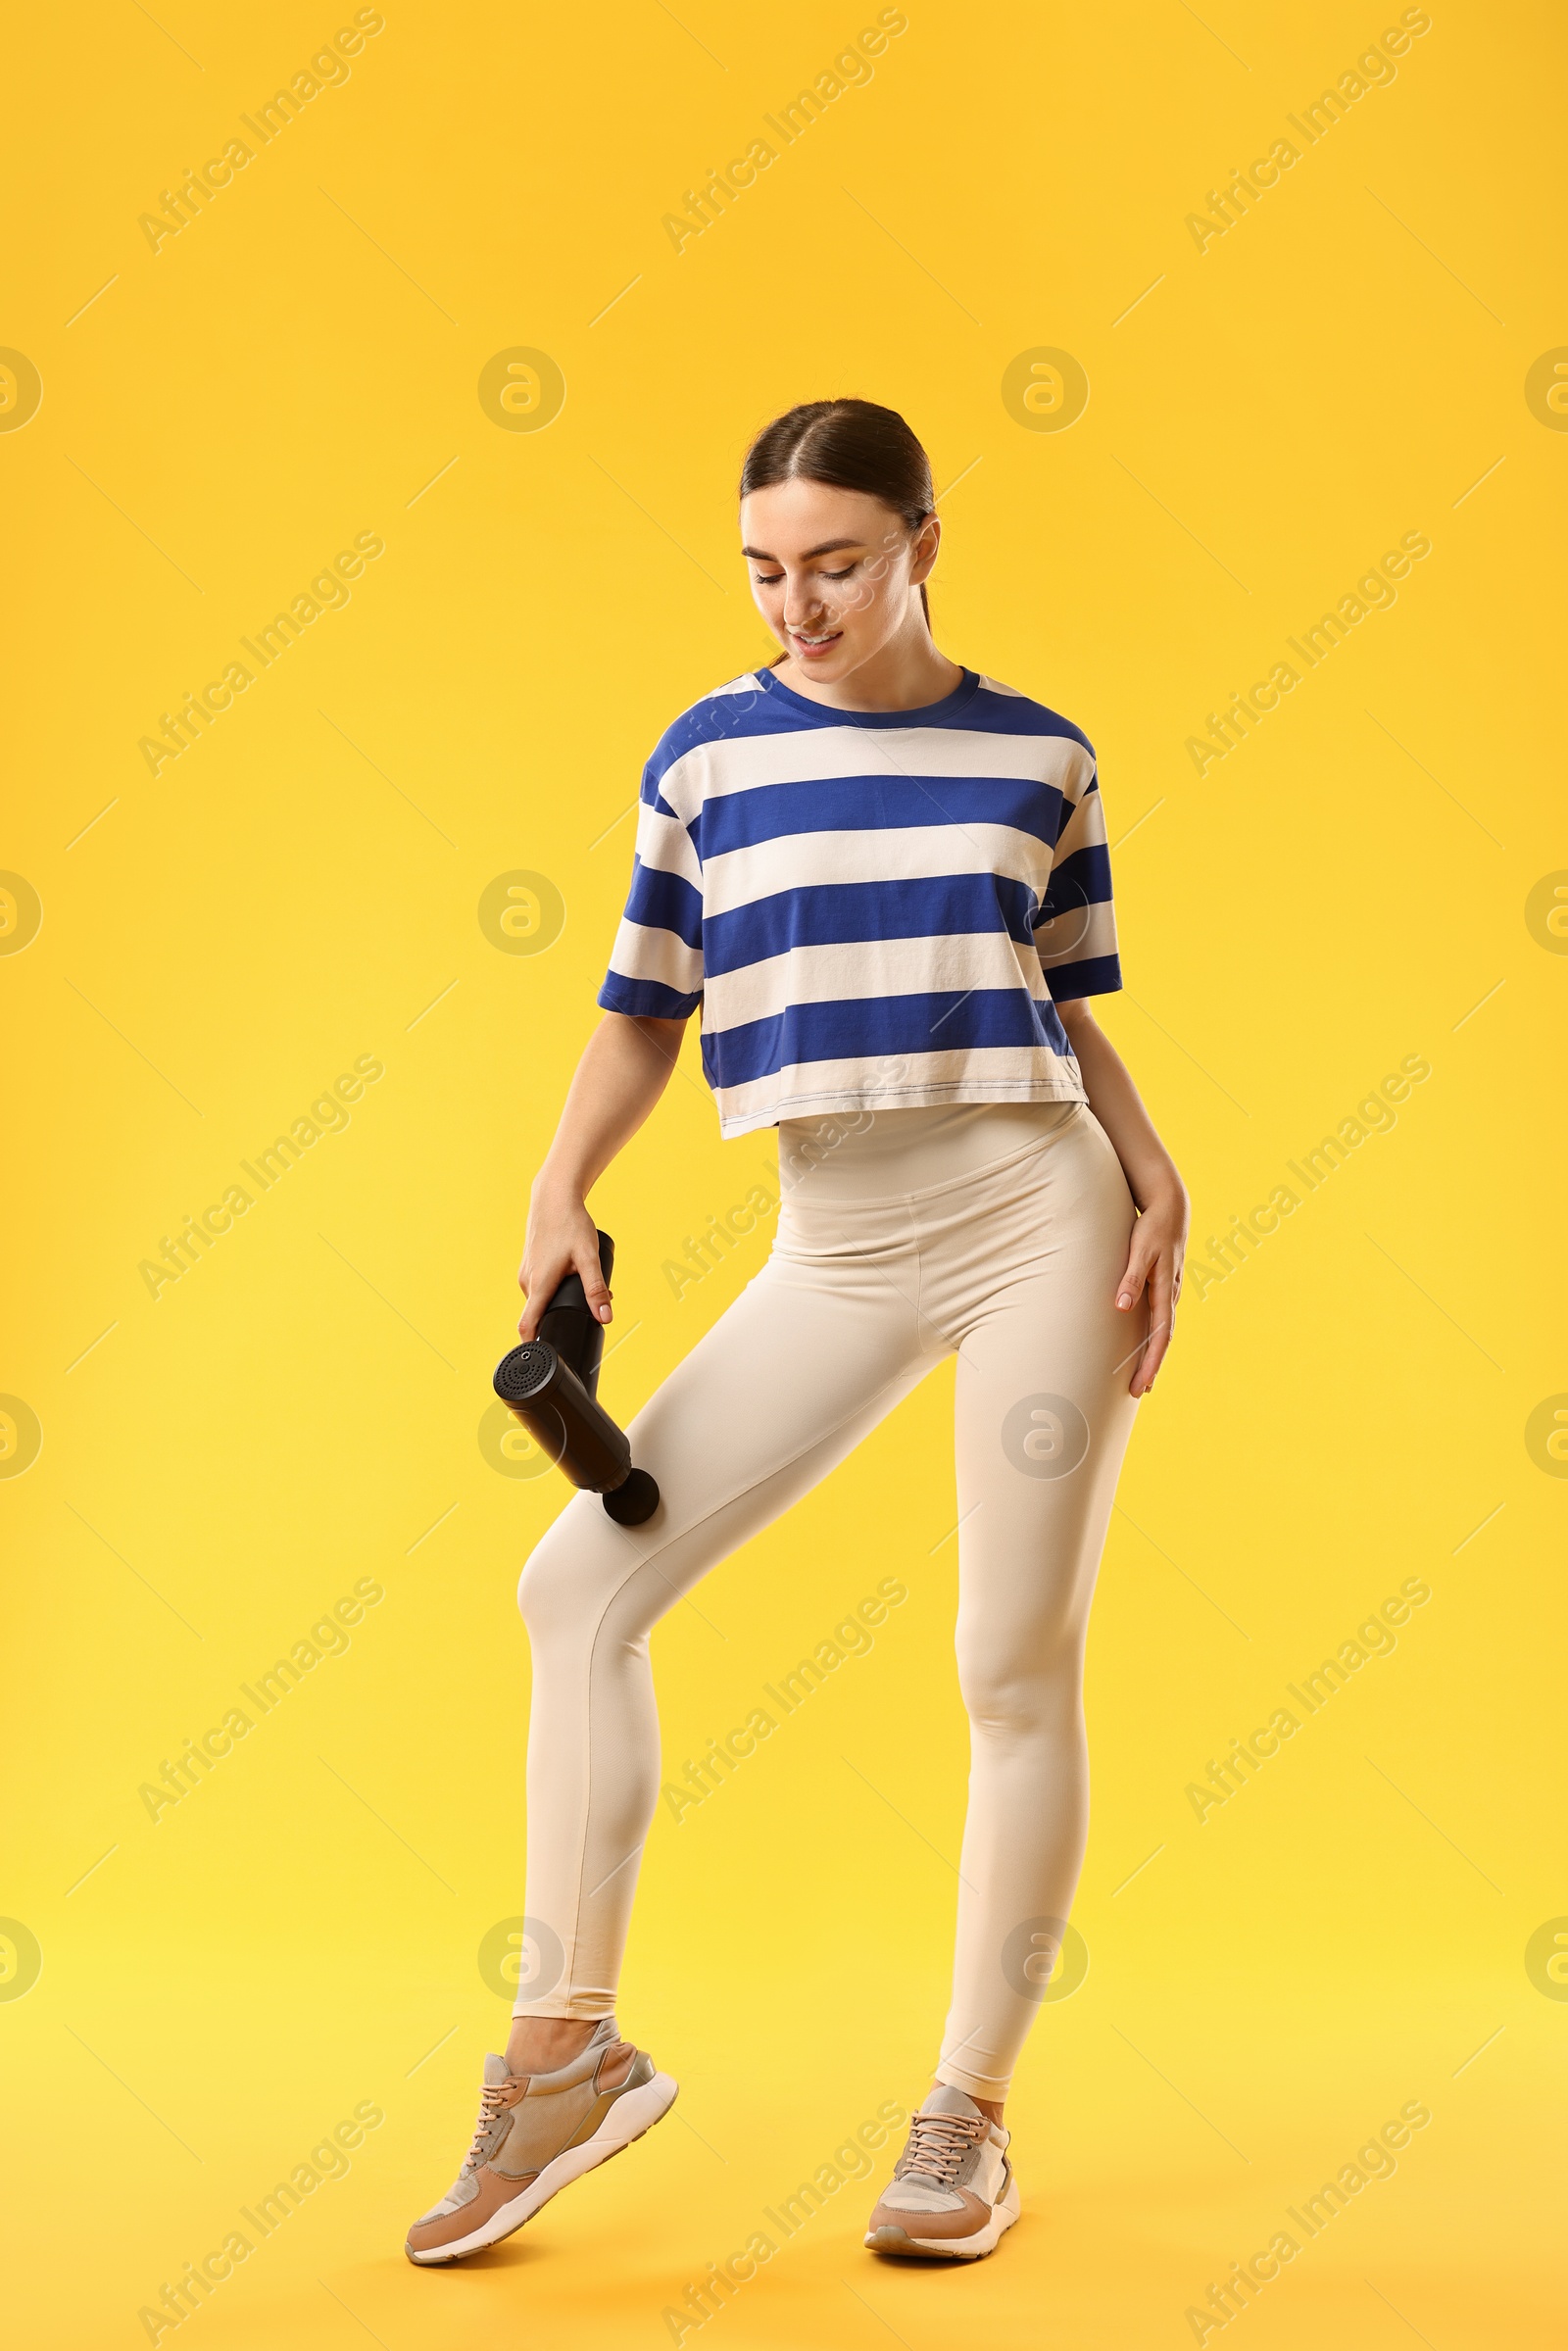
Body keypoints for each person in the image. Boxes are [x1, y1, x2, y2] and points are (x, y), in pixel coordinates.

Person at [406, 397, 1189, 2268]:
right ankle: (566, 2054)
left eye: (836, 563)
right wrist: (554, 1184)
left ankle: (965, 2116)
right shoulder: (706, 756)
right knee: (573, 1593)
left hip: (1035, 1215)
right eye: (765, 570)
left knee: (1011, 1659)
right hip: (833, 1243)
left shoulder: (1041, 755)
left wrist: (1156, 1173)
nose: (798, 606)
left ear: (926, 541)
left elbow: (1065, 999)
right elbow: (641, 1012)